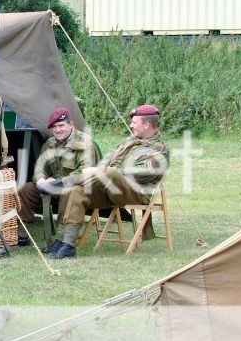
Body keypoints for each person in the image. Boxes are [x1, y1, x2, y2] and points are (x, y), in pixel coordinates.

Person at [49, 104, 170, 259]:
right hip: (110, 189)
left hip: (134, 193)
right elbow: (107, 161)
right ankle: (66, 244)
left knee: (110, 173)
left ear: (147, 124)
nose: (131, 125)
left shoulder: (160, 150)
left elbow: (139, 175)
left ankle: (66, 181)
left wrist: (108, 173)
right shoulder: (129, 142)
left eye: (135, 122)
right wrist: (103, 172)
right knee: (75, 191)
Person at [16, 107, 100, 252]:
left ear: (71, 124)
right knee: (26, 189)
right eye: (54, 127)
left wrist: (57, 181)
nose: (57, 130)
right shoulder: (50, 144)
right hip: (56, 188)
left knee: (70, 190)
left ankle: (63, 241)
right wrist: (41, 179)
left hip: (82, 190)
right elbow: (39, 167)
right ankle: (22, 235)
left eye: (61, 125)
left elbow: (84, 173)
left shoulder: (85, 143)